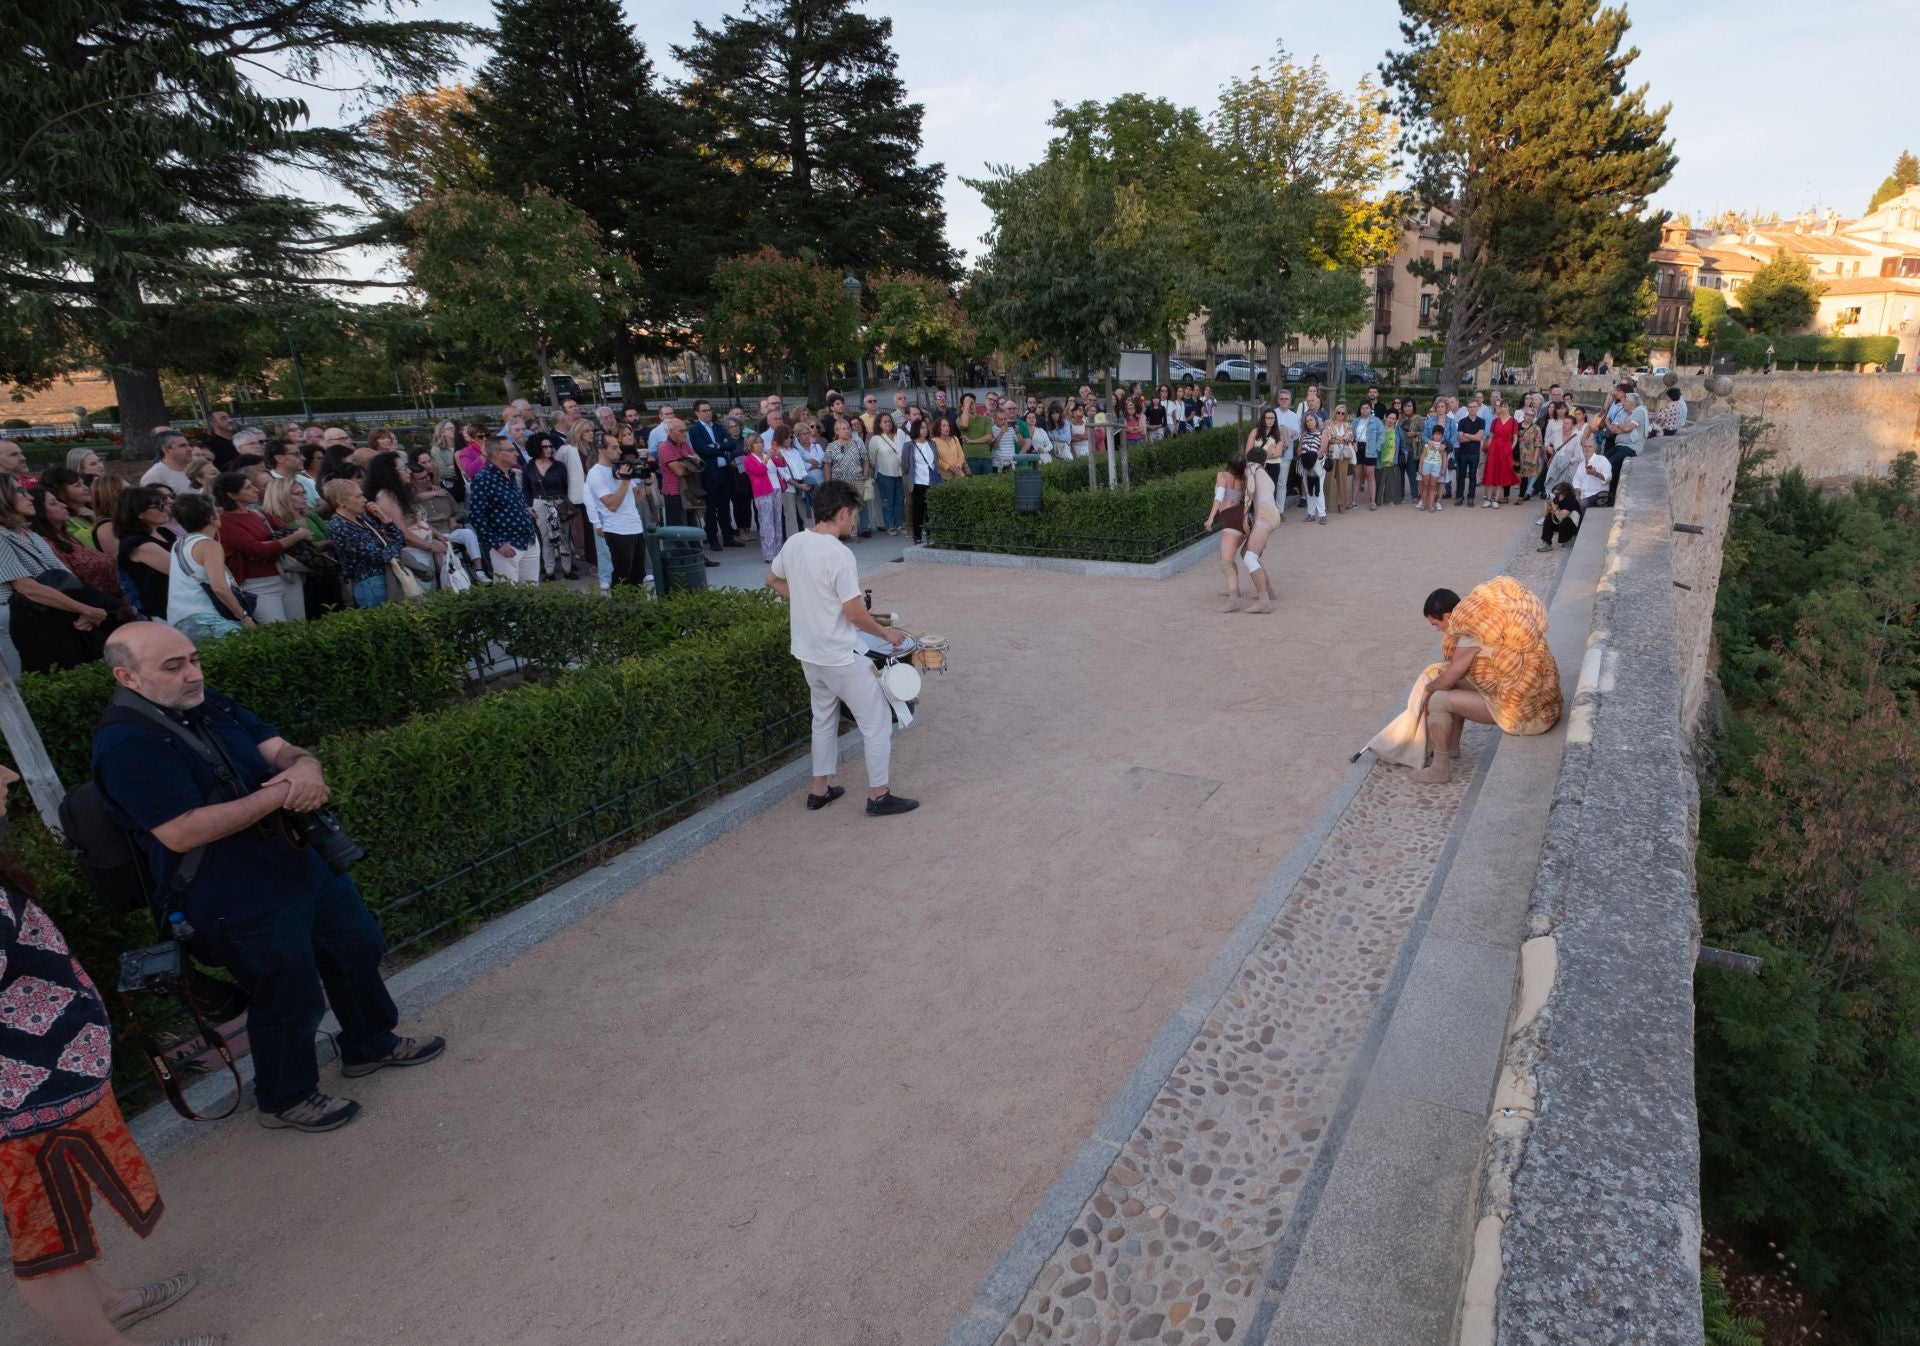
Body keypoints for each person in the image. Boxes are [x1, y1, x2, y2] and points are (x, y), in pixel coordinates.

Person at [94, 624, 444, 1133]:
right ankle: (285, 1097)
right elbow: (181, 831)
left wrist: (305, 768)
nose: (193, 674)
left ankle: (370, 1044)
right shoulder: (126, 743)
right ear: (127, 677)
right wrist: (283, 792)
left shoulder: (210, 703)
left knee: (357, 948)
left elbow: (280, 750)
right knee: (288, 993)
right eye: (174, 667)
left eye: (194, 659)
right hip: (234, 893)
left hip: (298, 861)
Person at [0, 763, 227, 1346]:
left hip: (47, 1084)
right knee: (45, 1242)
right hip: (21, 1102)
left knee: (64, 1216)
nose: (8, 775)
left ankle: (106, 1306)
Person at [765, 479, 918, 817]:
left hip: (808, 652)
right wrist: (886, 633)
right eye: (855, 515)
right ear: (843, 513)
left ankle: (819, 791)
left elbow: (772, 580)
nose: (854, 522)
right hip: (840, 656)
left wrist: (809, 600)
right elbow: (854, 613)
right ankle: (878, 796)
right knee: (877, 722)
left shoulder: (795, 542)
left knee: (823, 719)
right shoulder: (839, 553)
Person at [1412, 580, 1562, 784]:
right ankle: (1451, 747)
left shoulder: (1470, 635)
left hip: (1522, 718)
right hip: (1540, 707)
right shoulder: (1492, 621)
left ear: (1447, 617)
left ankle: (1439, 769)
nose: (1437, 630)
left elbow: (1450, 677)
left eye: (1435, 624)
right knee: (1455, 683)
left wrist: (1428, 688)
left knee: (1438, 699)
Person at [0, 477, 113, 672]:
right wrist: (84, 609)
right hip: (25, 624)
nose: (30, 497)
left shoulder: (30, 534)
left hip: (57, 616)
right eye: (20, 491)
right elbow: (27, 588)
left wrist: (82, 609)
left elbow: (64, 575)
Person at [212, 472, 299, 624]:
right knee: (277, 630)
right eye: (248, 488)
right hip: (257, 585)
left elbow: (287, 532)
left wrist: (289, 538)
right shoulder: (224, 522)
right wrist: (296, 537)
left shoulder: (260, 514)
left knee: (300, 626)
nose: (256, 490)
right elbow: (258, 550)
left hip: (287, 576)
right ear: (232, 495)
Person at [164, 492, 253, 642]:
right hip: (208, 620)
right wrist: (244, 616)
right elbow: (219, 587)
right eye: (216, 511)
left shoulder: (178, 544)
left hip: (180, 621)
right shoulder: (209, 545)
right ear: (211, 518)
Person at [468, 435, 539, 583]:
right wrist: (497, 543)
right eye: (511, 450)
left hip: (528, 540)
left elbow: (508, 503)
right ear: (497, 453)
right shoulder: (483, 479)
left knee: (531, 591)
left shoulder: (512, 474)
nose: (516, 453)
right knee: (509, 592)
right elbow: (476, 516)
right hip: (506, 544)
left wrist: (525, 509)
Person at [322, 479, 403, 609]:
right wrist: (394, 546)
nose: (365, 500)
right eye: (358, 496)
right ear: (341, 502)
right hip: (370, 584)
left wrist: (384, 519)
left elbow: (399, 539)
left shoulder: (362, 519)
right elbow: (380, 556)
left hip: (387, 577)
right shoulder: (338, 526)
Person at [585, 429, 648, 588]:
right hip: (617, 530)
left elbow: (639, 499)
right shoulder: (595, 473)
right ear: (602, 450)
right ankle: (620, 604)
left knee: (638, 576)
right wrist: (625, 481)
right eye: (614, 447)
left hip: (635, 527)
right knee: (622, 577)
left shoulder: (620, 468)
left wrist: (646, 480)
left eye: (618, 447)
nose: (619, 451)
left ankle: (636, 603)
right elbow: (612, 505)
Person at [519, 431, 574, 580]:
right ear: (536, 448)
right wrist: (528, 506)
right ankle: (550, 572)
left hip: (559, 502)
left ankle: (568, 569)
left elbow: (566, 486)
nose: (549, 449)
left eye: (550, 446)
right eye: (545, 447)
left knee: (563, 537)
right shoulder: (529, 468)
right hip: (539, 503)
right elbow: (526, 489)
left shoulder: (559, 466)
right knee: (546, 539)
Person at [1237, 446, 1279, 614]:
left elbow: (1251, 489)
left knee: (1249, 558)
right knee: (1245, 552)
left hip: (1265, 516)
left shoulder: (1251, 467)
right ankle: (1269, 591)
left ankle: (1264, 602)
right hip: (1270, 515)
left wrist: (1244, 515)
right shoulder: (1264, 473)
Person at [1205, 451, 1248, 610]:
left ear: (1228, 464)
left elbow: (1219, 497)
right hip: (1244, 518)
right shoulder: (1244, 479)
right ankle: (1234, 589)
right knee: (1229, 558)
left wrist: (1210, 518)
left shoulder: (1222, 475)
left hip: (1231, 519)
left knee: (1225, 562)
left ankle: (1234, 600)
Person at [743, 427, 784, 561]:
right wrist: (766, 459)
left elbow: (782, 464)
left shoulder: (767, 454)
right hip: (762, 492)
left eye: (761, 442)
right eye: (756, 443)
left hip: (776, 488)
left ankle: (778, 550)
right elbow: (759, 471)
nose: (760, 444)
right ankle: (768, 553)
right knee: (766, 522)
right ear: (750, 445)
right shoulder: (748, 459)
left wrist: (779, 455)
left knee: (778, 521)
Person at [905, 418, 940, 545]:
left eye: (926, 427)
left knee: (931, 510)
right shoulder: (909, 445)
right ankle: (917, 536)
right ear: (916, 429)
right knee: (918, 511)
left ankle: (932, 535)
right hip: (918, 482)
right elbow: (905, 465)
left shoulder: (932, 444)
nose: (925, 430)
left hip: (932, 482)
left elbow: (936, 462)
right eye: (922, 428)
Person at [1481, 402, 1521, 507]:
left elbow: (1515, 438)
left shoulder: (1513, 422)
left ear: (1509, 408)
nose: (1503, 408)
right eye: (1501, 406)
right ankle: (1488, 499)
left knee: (1501, 473)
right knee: (1490, 472)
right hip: (1494, 448)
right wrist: (1489, 449)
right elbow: (1491, 436)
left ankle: (1496, 499)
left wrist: (1510, 449)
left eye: (1505, 406)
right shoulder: (1495, 421)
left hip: (1506, 448)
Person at [1453, 399, 1486, 508]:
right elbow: (1460, 439)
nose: (1472, 409)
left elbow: (1480, 437)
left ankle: (1470, 497)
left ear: (1477, 408)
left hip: (1475, 453)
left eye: (1474, 407)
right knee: (1461, 476)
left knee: (1473, 476)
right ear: (1467, 408)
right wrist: (1474, 437)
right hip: (1462, 453)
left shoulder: (1481, 421)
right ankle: (1459, 496)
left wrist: (1466, 434)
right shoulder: (1462, 421)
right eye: (1470, 407)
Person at [1322, 404, 1355, 513]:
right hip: (1330, 455)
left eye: (1343, 413)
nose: (1340, 415)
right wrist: (1340, 439)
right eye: (1338, 412)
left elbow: (1349, 438)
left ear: (1345, 415)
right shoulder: (1328, 423)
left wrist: (1335, 438)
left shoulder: (1348, 425)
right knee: (1328, 480)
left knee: (1342, 479)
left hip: (1343, 455)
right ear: (1335, 412)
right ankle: (1325, 504)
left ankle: (1341, 504)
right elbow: (1327, 438)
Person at [1571, 432, 1613, 509]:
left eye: (1590, 447)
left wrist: (1595, 473)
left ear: (1595, 448)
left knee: (1581, 504)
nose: (1587, 449)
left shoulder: (1602, 460)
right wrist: (1577, 495)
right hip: (1583, 496)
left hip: (1598, 496)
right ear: (1582, 448)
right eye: (1585, 446)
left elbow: (1608, 478)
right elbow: (1576, 483)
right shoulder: (1581, 465)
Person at [1353, 402, 1381, 511]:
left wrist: (1376, 447)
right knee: (1356, 475)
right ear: (1360, 409)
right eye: (1362, 408)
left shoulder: (1376, 421)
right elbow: (1351, 434)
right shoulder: (1355, 421)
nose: (1364, 410)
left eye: (1367, 408)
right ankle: (1353, 501)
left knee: (1370, 476)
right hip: (1357, 449)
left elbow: (1381, 435)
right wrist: (1353, 443)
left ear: (1370, 409)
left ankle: (1373, 501)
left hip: (1370, 449)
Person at [1538, 482, 1581, 552]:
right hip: (1562, 523)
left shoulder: (1571, 501)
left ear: (1565, 493)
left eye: (1557, 494)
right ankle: (1547, 543)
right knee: (1548, 518)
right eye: (1554, 493)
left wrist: (1552, 504)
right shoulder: (1557, 499)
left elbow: (1561, 516)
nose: (1555, 495)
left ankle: (1571, 538)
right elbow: (1544, 515)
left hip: (1573, 526)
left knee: (1565, 521)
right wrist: (1547, 502)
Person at [1417, 425, 1450, 513]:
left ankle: (1431, 505)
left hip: (1436, 467)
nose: (1436, 436)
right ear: (1432, 435)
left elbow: (1445, 458)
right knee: (1425, 485)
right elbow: (1423, 456)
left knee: (1433, 486)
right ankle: (1424, 503)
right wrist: (1420, 467)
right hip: (1426, 466)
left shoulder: (1443, 446)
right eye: (1435, 434)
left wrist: (1443, 469)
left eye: (1439, 434)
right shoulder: (1428, 444)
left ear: (1442, 436)